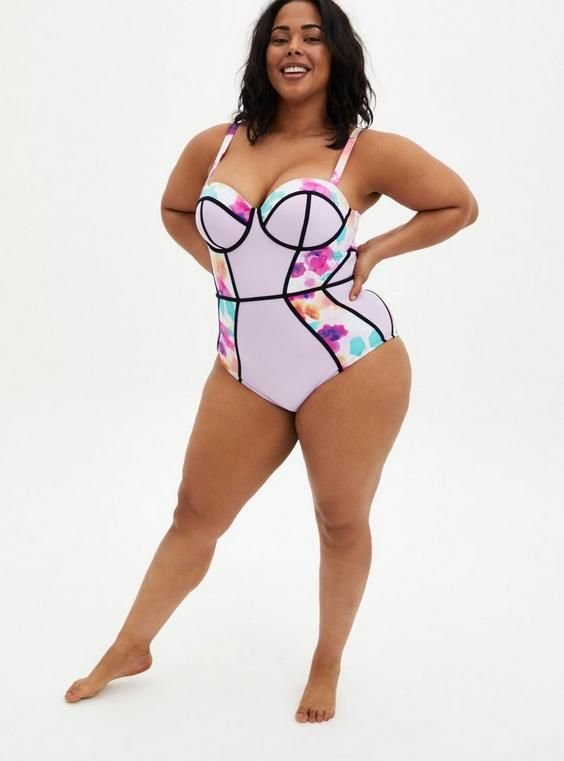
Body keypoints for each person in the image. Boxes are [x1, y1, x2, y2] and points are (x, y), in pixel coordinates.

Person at [64, 0, 478, 723]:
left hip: (347, 358)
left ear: (335, 54)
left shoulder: (364, 152)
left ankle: (327, 660)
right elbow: (176, 210)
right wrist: (221, 270)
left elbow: (457, 206)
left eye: (312, 37)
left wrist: (376, 252)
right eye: (280, 37)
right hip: (244, 362)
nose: (294, 48)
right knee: (194, 512)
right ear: (263, 54)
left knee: (339, 520)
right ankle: (131, 646)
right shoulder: (217, 144)